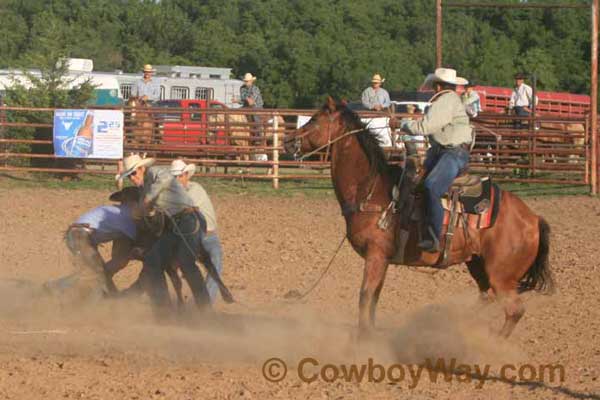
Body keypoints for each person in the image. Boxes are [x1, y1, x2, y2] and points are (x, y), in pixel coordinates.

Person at [116, 153, 210, 316]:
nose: (132, 177)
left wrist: (147, 201)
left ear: (142, 168)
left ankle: (206, 311)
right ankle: (164, 311)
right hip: (176, 224)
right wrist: (144, 212)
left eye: (133, 173)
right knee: (153, 262)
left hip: (188, 219)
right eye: (129, 175)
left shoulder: (155, 172)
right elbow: (149, 214)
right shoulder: (144, 188)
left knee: (186, 263)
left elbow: (165, 179)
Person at [400, 68, 473, 253]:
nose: (433, 90)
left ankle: (434, 238)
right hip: (441, 151)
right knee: (414, 182)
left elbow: (426, 126)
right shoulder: (448, 100)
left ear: (439, 86)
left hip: (453, 153)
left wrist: (403, 124)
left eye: (434, 87)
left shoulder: (446, 100)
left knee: (432, 186)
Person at [44, 187, 141, 300]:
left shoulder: (115, 211)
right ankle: (54, 287)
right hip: (81, 236)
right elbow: (138, 242)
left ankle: (108, 297)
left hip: (78, 234)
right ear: (134, 203)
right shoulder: (127, 217)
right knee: (94, 273)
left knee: (94, 273)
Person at [170, 159, 223, 303]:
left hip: (206, 235)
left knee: (215, 263)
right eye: (174, 177)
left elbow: (183, 207)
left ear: (186, 175)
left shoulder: (195, 189)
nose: (177, 180)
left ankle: (205, 303)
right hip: (191, 237)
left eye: (180, 176)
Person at [233, 72, 264, 142]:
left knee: (255, 116)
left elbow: (252, 101)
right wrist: (238, 100)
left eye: (247, 81)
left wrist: (242, 100)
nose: (246, 83)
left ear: (251, 81)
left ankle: (259, 136)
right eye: (245, 81)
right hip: (246, 106)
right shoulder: (242, 88)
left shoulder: (255, 89)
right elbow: (244, 100)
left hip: (257, 106)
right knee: (235, 113)